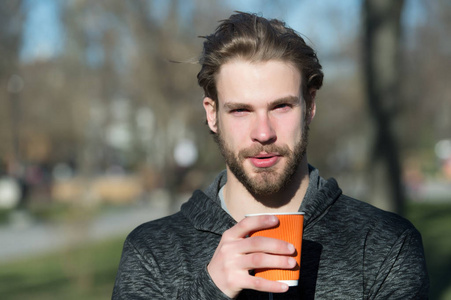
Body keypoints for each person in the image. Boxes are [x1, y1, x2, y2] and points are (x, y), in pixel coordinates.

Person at [112, 12, 429, 299]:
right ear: (212, 115)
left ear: (310, 106)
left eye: (281, 107)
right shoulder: (151, 253)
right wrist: (208, 293)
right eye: (240, 110)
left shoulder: (384, 246)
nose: (263, 133)